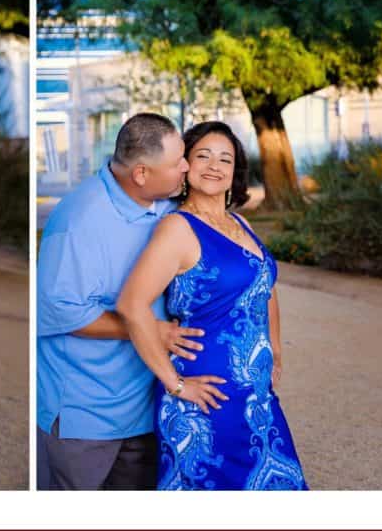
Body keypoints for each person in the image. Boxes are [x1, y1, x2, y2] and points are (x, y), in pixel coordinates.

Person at [116, 120, 308, 490]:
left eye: (226, 159)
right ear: (185, 164)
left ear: (235, 171)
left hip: (255, 395)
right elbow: (130, 305)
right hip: (206, 397)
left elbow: (265, 287)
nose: (215, 166)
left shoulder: (240, 223)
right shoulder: (177, 229)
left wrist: (276, 349)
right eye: (203, 156)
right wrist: (175, 385)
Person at [37, 112, 216, 490]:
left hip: (146, 407)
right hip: (86, 416)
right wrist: (151, 330)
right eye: (177, 162)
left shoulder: (167, 208)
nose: (187, 167)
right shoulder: (78, 223)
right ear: (140, 174)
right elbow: (61, 312)